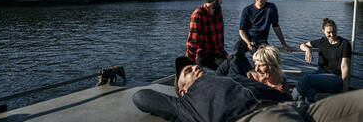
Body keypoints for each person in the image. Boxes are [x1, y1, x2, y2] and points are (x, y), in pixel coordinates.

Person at [133, 56, 363, 122]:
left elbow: (235, 58)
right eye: (188, 72)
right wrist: (176, 103)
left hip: (299, 108)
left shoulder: (227, 78)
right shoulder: (183, 104)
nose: (194, 68)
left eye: (195, 65)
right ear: (182, 90)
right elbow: (141, 96)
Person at [234, 0, 292, 72]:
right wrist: (248, 43)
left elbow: (276, 27)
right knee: (236, 55)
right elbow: (241, 30)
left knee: (265, 60)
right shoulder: (247, 10)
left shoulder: (271, 8)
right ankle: (249, 72)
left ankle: (264, 78)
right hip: (246, 39)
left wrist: (284, 44)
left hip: (261, 40)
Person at [294, 18, 352, 103]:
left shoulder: (344, 44)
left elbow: (345, 67)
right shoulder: (322, 41)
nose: (332, 35)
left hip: (335, 78)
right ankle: (308, 109)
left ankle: (289, 99)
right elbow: (302, 45)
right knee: (309, 91)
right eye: (329, 32)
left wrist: (345, 91)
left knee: (306, 79)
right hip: (321, 74)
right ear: (323, 31)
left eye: (334, 31)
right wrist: (308, 50)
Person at [216, 45, 291, 98]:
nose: (256, 69)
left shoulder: (280, 93)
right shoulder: (266, 78)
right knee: (234, 58)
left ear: (274, 67)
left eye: (261, 65)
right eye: (255, 65)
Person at [186, 0, 228, 70]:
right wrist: (189, 65)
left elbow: (220, 38)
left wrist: (225, 56)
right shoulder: (198, 14)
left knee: (237, 64)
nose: (222, 1)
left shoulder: (218, 11)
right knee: (227, 68)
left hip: (218, 53)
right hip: (204, 55)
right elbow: (192, 42)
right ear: (213, 0)